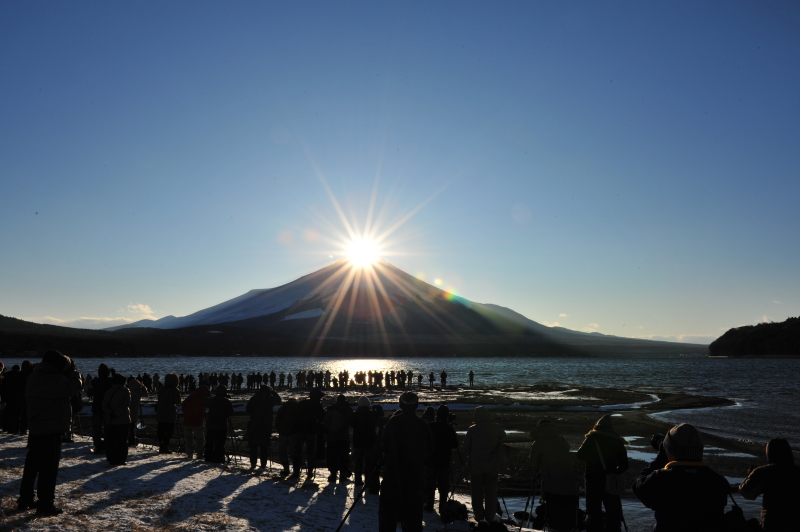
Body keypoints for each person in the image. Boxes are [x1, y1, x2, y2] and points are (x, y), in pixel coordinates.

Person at [17, 350, 82, 516]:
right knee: (49, 469)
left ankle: (25, 498)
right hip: (51, 427)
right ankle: (45, 503)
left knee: (32, 465)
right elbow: (74, 386)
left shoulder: (34, 376)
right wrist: (73, 372)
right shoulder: (54, 379)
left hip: (37, 427)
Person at [632, 423, 729, 532]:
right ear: (700, 450)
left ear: (669, 451)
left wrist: (660, 459)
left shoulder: (661, 479)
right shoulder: (718, 482)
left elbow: (638, 487)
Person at [379, 391, 433, 532]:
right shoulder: (422, 426)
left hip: (392, 478)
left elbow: (384, 446)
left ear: (400, 403)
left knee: (387, 521)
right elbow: (429, 451)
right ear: (416, 405)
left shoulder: (393, 423)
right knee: (413, 523)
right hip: (414, 480)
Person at [576, 414, 629, 532]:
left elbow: (580, 455)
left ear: (596, 426)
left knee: (594, 511)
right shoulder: (617, 441)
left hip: (592, 480)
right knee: (613, 512)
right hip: (610, 481)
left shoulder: (591, 438)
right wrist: (613, 473)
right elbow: (624, 465)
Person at [739, 438, 800, 531]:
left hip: (771, 521)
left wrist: (749, 476)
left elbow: (746, 493)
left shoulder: (763, 471)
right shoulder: (797, 472)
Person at [529, 420, 580, 530]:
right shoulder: (561, 438)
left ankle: (545, 527)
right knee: (566, 507)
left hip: (551, 481)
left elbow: (533, 461)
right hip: (568, 480)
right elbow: (567, 449)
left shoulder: (539, 442)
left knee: (551, 506)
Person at [464, 405, 505, 525]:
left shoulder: (472, 429)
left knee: (477, 493)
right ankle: (490, 516)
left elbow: (466, 448)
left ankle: (479, 516)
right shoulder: (495, 427)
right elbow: (504, 436)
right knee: (491, 492)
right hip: (492, 465)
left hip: (476, 466)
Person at [425, 404, 459, 515]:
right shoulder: (449, 429)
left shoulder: (429, 426)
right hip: (444, 461)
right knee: (443, 486)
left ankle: (429, 505)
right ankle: (442, 506)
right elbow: (454, 445)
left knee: (430, 484)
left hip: (430, 460)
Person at [290, 388, 326, 482]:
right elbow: (322, 419)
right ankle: (309, 472)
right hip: (311, 432)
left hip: (300, 430)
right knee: (311, 452)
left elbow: (295, 416)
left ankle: (296, 471)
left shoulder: (303, 403)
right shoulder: (318, 406)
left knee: (297, 450)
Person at [246, 385, 282, 470]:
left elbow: (248, 409)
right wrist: (273, 391)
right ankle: (263, 464)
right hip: (266, 425)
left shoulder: (254, 398)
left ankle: (253, 463)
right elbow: (279, 399)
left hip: (254, 424)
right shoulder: (269, 399)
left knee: (253, 446)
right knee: (264, 446)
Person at [102, 374, 131, 466]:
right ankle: (121, 459)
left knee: (111, 440)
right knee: (122, 440)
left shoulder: (109, 391)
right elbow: (126, 404)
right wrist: (116, 413)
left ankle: (111, 458)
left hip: (110, 420)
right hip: (123, 419)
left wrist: (110, 413)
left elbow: (104, 404)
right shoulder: (125, 391)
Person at [324, 394, 353, 482]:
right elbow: (351, 422)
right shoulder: (348, 409)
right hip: (344, 437)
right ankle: (342, 475)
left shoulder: (331, 409)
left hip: (332, 437)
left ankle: (333, 475)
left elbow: (326, 422)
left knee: (332, 456)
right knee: (344, 456)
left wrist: (327, 432)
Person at [352, 396, 377, 486]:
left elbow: (351, 423)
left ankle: (357, 480)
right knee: (368, 462)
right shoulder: (372, 414)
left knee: (358, 462)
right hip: (369, 442)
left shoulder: (356, 414)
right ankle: (368, 480)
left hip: (358, 441)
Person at [205, 385, 234, 463]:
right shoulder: (227, 401)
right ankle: (218, 458)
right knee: (219, 443)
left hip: (211, 424)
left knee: (210, 442)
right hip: (221, 425)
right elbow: (230, 412)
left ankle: (208, 457)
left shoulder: (211, 400)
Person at [181, 385, 210, 460]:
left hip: (187, 421)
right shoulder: (203, 398)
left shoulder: (190, 398)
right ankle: (199, 454)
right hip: (198, 421)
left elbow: (183, 407)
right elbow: (209, 405)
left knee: (188, 438)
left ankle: (189, 454)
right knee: (200, 439)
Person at [155, 373, 182, 454]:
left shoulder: (161, 389)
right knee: (169, 430)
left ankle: (161, 444)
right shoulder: (174, 390)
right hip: (170, 412)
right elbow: (177, 401)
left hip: (160, 412)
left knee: (161, 429)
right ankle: (165, 445)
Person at [90, 364, 113, 454]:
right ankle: (107, 443)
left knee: (96, 428)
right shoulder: (110, 381)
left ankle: (97, 444)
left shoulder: (95, 382)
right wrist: (113, 373)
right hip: (107, 407)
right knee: (108, 427)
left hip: (96, 407)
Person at [275, 397, 299, 475]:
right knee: (294, 452)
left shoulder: (282, 408)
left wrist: (279, 430)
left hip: (283, 433)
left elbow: (277, 420)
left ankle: (286, 468)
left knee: (283, 451)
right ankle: (296, 470)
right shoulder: (298, 409)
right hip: (293, 433)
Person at [126, 376, 146, 447]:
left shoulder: (127, 390)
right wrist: (142, 386)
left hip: (126, 411)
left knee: (127, 426)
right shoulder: (138, 391)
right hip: (134, 411)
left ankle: (128, 439)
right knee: (132, 427)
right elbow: (146, 394)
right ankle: (132, 440)